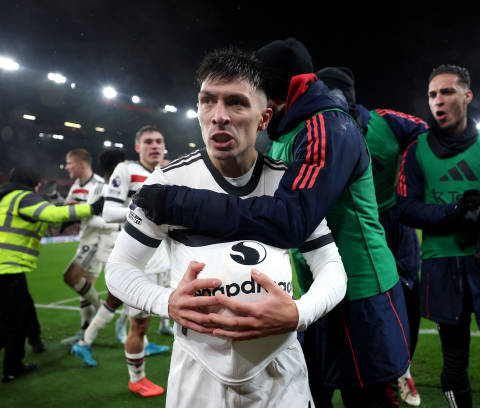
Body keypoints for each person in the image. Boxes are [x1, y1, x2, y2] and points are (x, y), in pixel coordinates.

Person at [134, 38, 411, 407]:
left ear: (278, 91)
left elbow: (290, 220)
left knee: (369, 400)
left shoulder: (327, 126)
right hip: (309, 290)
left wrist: (180, 202)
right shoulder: (287, 132)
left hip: (360, 291)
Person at [106, 47, 347, 407]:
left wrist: (300, 312)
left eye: (235, 103)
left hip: (281, 374)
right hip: (197, 375)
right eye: (207, 102)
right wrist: (165, 301)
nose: (219, 117)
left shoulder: (287, 184)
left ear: (264, 118)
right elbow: (120, 268)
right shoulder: (166, 183)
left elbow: (331, 267)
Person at [395, 64, 480, 408]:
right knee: (454, 361)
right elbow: (404, 208)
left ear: (467, 96)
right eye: (432, 94)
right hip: (441, 265)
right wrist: (452, 213)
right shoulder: (417, 149)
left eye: (447, 92)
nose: (438, 100)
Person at [317, 66, 428, 406]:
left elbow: (427, 134)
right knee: (347, 307)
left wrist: (407, 180)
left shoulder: (386, 122)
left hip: (392, 222)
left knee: (405, 302)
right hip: (347, 228)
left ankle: (399, 368)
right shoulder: (317, 131)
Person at [0, 164, 102, 382]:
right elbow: (52, 214)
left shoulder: (9, 196)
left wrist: (64, 206)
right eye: (36, 184)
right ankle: (12, 368)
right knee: (12, 322)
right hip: (6, 267)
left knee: (25, 306)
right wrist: (92, 208)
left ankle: (35, 341)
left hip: (8, 267)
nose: (38, 188)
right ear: (31, 182)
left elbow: (47, 212)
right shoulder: (22, 197)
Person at [99, 125, 170, 397]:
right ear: (138, 146)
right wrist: (142, 211)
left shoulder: (168, 171)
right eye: (149, 141)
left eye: (159, 141)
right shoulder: (126, 170)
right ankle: (136, 379)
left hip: (167, 257)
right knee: (139, 324)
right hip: (139, 260)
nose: (155, 145)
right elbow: (107, 212)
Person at [70, 149, 126, 366]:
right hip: (104, 248)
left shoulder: (120, 188)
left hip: (118, 247)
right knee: (120, 296)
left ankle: (120, 333)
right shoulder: (100, 189)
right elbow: (90, 219)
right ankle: (86, 341)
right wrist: (118, 222)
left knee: (126, 298)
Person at [61, 148, 105, 343]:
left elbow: (96, 214)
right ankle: (85, 331)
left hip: (97, 240)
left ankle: (102, 308)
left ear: (81, 164)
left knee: (71, 277)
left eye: (69, 163)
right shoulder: (76, 185)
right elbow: (73, 208)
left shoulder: (100, 185)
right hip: (85, 238)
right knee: (85, 289)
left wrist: (74, 210)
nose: (66, 167)